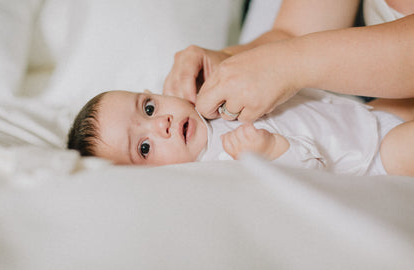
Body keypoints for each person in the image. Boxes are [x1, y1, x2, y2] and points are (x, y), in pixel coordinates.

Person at [163, 0, 414, 174]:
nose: (160, 123)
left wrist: (288, 65)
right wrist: (228, 61)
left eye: (149, 108)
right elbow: (293, 33)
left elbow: (292, 56)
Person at [67, 89, 414, 176]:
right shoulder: (219, 166)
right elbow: (310, 179)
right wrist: (272, 152)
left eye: (148, 108)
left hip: (365, 115)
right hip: (372, 158)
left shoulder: (212, 102)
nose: (162, 124)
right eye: (144, 148)